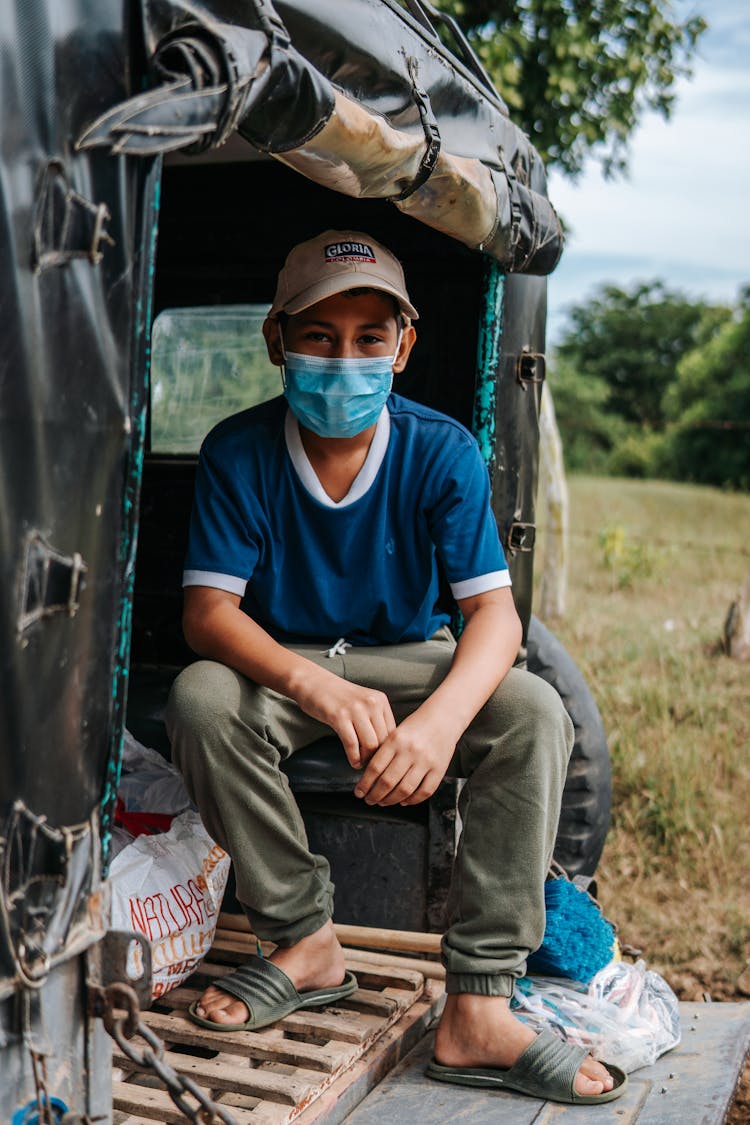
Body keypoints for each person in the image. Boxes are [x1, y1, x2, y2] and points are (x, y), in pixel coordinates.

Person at [165, 230, 626, 1105]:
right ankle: (304, 939)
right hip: (290, 660)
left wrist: (439, 723)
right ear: (277, 342)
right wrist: (316, 684)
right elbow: (208, 615)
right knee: (200, 697)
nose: (344, 360)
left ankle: (480, 1004)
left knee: (531, 710)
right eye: (319, 337)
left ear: (404, 346)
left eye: (370, 338)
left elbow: (494, 613)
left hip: (414, 659)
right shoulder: (240, 450)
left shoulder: (439, 449)